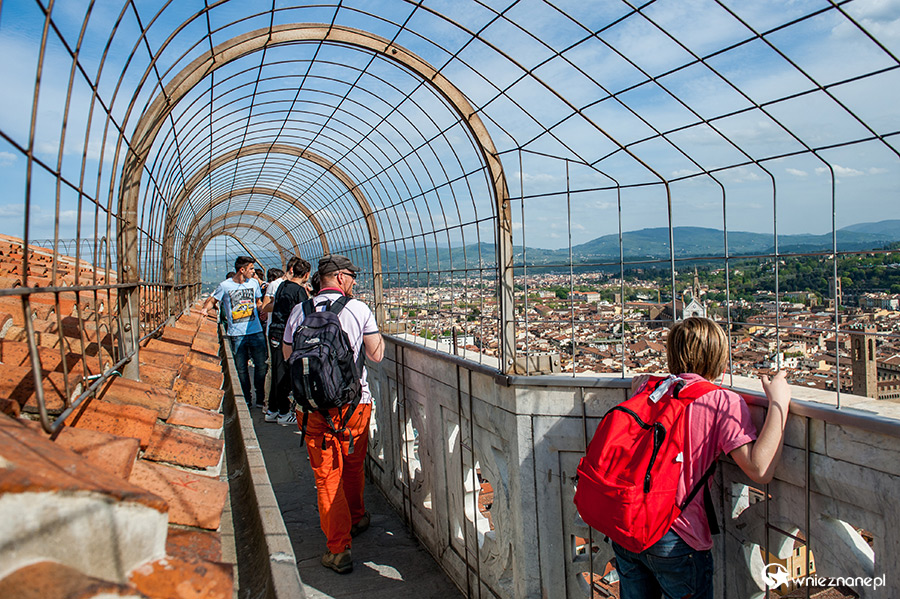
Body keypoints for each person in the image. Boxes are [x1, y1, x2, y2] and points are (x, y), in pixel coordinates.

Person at [615, 317, 791, 599]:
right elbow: (759, 470)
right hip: (675, 539)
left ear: (672, 353)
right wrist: (780, 402)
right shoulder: (721, 401)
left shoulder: (647, 390)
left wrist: (643, 384)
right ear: (718, 357)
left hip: (626, 528)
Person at [281, 254, 384, 574]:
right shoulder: (359, 309)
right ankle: (355, 518)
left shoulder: (300, 310)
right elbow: (376, 355)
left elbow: (287, 356)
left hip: (313, 411)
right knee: (352, 467)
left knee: (327, 477)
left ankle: (338, 547)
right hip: (354, 407)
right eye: (352, 275)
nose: (354, 280)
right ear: (340, 278)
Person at [200, 256, 268, 410]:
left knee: (261, 366)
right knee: (241, 368)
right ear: (242, 270)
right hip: (236, 334)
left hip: (255, 330)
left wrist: (261, 310)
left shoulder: (254, 283)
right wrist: (205, 309)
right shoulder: (225, 286)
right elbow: (212, 300)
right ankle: (246, 398)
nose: (253, 272)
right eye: (251, 269)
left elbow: (258, 302)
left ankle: (261, 397)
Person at [265, 257, 310, 424]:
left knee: (277, 372)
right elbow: (305, 314)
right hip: (286, 334)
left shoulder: (282, 285)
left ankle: (272, 410)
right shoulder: (298, 291)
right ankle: (284, 412)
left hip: (274, 330)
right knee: (285, 374)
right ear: (306, 274)